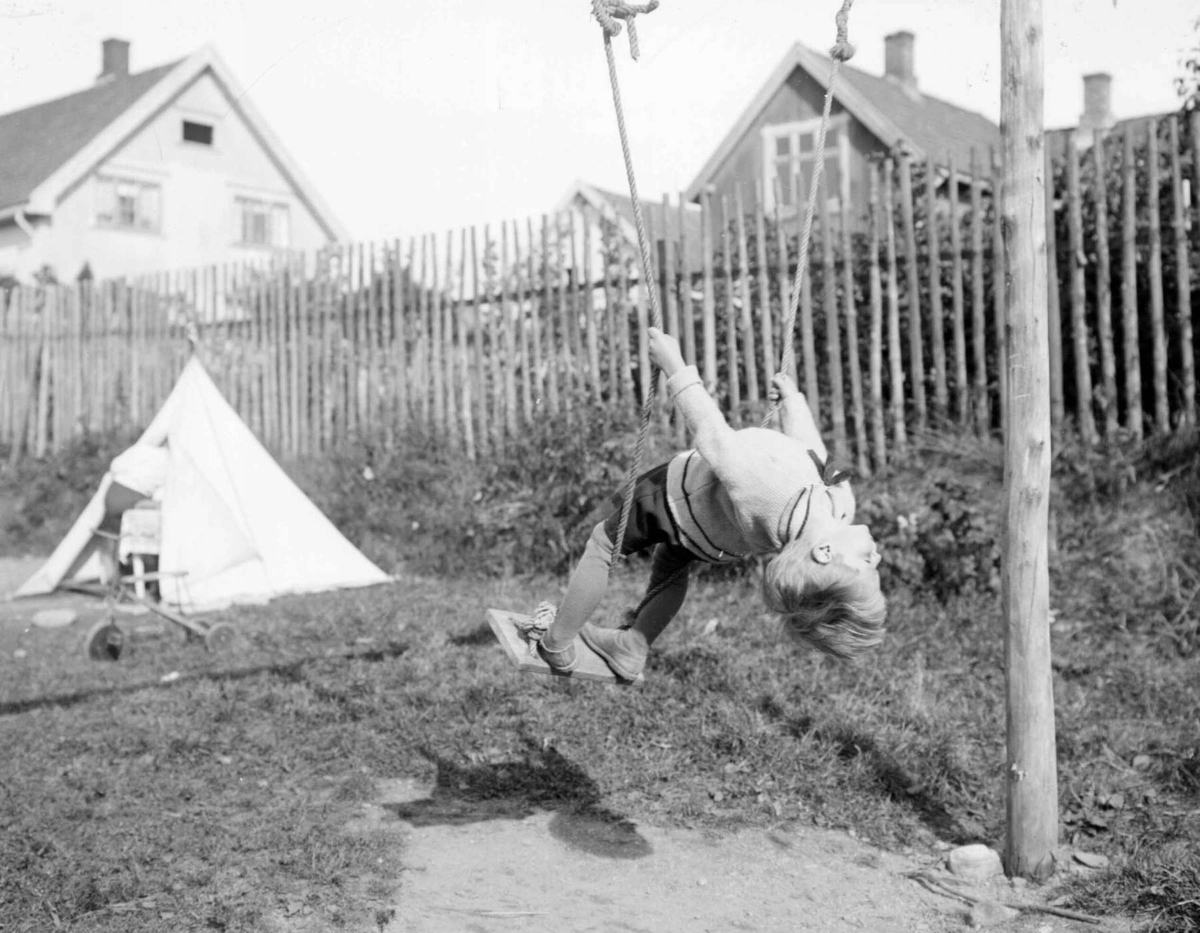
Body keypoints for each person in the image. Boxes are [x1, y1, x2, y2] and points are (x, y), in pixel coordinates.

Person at [535, 327, 886, 681]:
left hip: (675, 499)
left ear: (824, 551)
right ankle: (633, 647)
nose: (877, 557)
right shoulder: (840, 506)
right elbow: (813, 450)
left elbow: (715, 437)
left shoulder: (769, 490)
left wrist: (676, 367)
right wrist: (794, 403)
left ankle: (557, 641)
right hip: (713, 542)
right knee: (671, 568)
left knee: (604, 543)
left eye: (866, 563)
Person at [97, 442, 169, 586]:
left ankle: (113, 578)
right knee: (140, 538)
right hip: (135, 498)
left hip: (114, 494)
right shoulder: (170, 461)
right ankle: (141, 579)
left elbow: (115, 465)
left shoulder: (140, 449)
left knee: (111, 537)